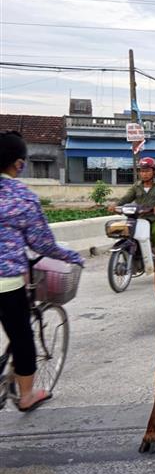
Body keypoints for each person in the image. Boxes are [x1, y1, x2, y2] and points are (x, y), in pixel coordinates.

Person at [0, 131, 83, 412]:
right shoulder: (22, 198)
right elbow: (43, 244)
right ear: (18, 164)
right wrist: (72, 257)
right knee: (23, 339)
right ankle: (25, 396)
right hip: (6, 283)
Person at [108, 157, 155, 252]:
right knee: (128, 232)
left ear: (154, 172)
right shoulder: (136, 186)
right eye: (142, 171)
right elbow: (126, 198)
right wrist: (116, 205)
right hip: (140, 218)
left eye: (147, 171)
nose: (144, 174)